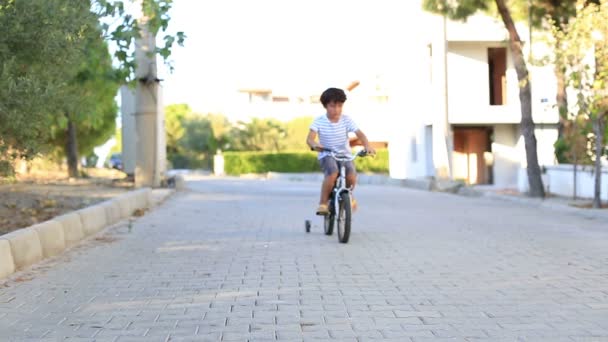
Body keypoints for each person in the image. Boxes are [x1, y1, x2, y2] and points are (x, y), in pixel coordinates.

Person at [306, 87, 375, 216]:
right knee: (332, 173)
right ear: (326, 106)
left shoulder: (346, 120)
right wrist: (315, 145)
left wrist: (367, 146)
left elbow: (360, 134)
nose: (336, 110)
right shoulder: (319, 121)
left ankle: (348, 195)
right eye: (332, 106)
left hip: (345, 155)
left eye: (340, 106)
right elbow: (310, 139)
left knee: (351, 177)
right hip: (327, 154)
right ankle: (323, 203)